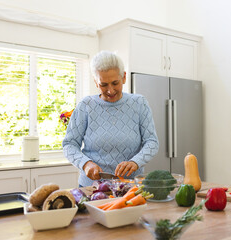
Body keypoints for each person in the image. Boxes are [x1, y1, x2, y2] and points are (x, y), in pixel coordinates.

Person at [62, 50, 159, 187]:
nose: (110, 90)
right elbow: (69, 144)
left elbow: (152, 142)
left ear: (124, 77)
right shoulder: (85, 106)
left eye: (115, 83)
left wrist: (135, 162)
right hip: (92, 186)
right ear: (96, 82)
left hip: (130, 186)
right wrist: (85, 164)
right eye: (104, 84)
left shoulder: (139, 103)